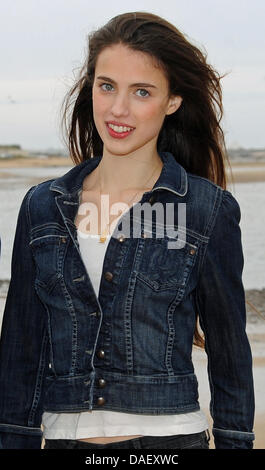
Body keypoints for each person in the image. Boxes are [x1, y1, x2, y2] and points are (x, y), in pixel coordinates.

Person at [0, 11, 254, 450]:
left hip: (168, 443)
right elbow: (22, 353)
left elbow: (230, 355)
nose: (118, 109)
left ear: (172, 101)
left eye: (142, 92)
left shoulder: (205, 210)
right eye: (106, 86)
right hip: (64, 440)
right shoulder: (42, 207)